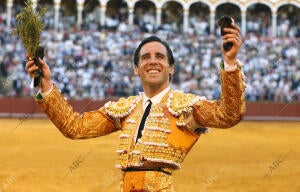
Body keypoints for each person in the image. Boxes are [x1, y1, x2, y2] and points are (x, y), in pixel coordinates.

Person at [26, 22, 245, 191]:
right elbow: (75, 127)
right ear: (136, 69)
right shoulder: (126, 108)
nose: (152, 61)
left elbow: (229, 114)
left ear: (171, 69)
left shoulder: (187, 107)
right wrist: (46, 85)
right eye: (145, 57)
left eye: (160, 57)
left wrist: (230, 63)